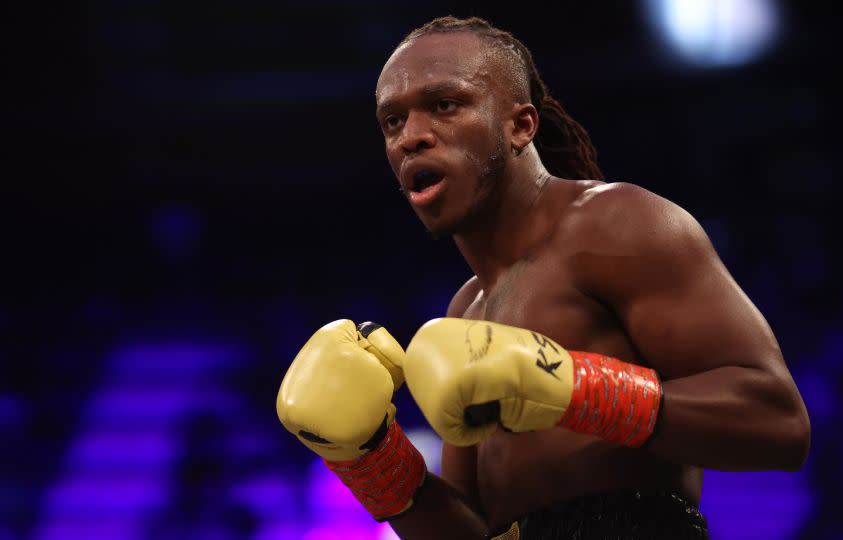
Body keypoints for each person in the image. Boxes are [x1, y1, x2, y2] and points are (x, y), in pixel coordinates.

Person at [276, 15, 811, 540]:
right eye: (392, 121)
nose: (411, 137)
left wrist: (569, 386)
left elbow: (778, 423)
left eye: (444, 105)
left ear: (520, 125)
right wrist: (374, 457)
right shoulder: (466, 312)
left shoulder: (614, 224)